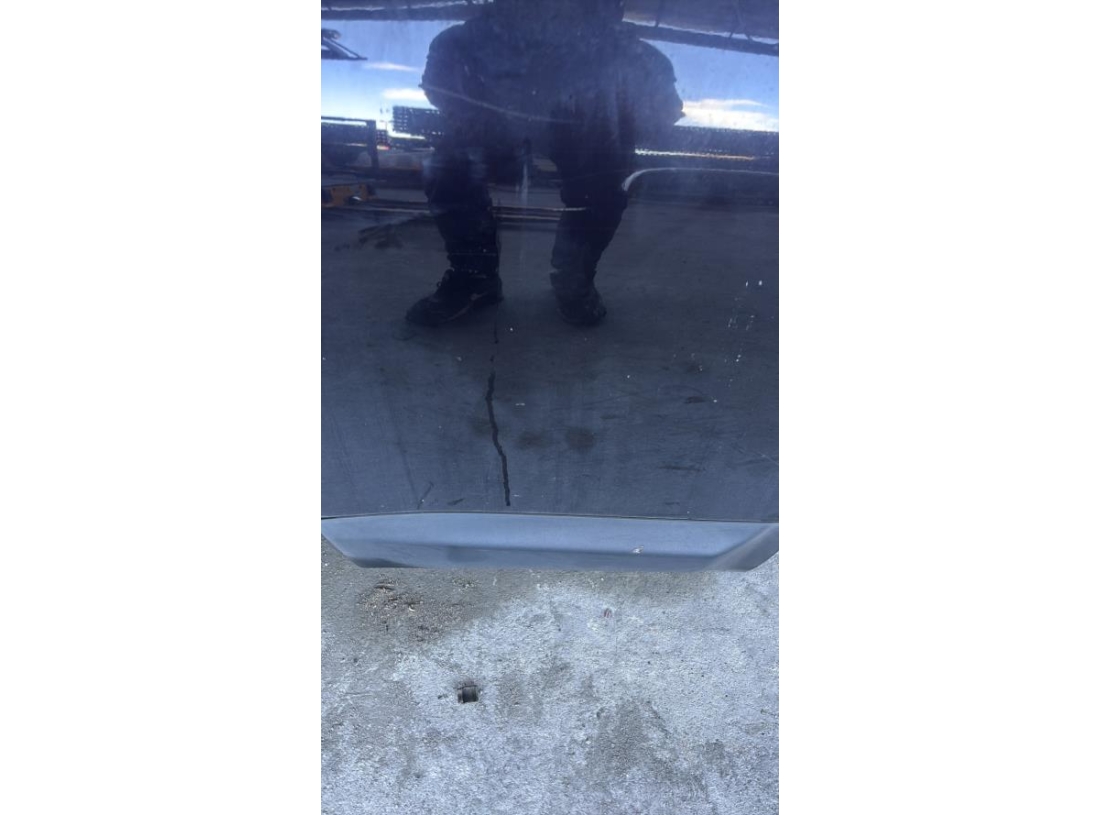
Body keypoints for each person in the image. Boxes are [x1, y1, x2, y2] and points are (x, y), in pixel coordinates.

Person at [405, 0, 683, 327]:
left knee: (607, 179)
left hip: (581, 124)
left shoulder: (630, 53)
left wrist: (620, 117)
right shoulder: (465, 40)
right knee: (450, 167)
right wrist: (479, 119)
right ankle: (475, 276)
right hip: (498, 120)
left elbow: (662, 112)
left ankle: (573, 277)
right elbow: (440, 86)